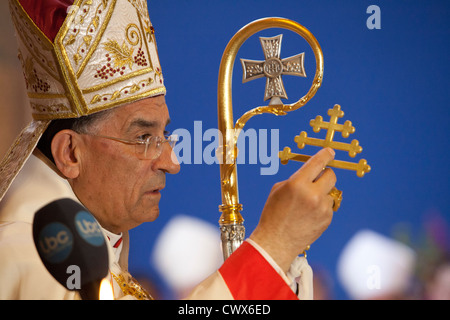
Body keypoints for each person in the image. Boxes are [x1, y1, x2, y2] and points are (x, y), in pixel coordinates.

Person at [0, 0, 336, 300]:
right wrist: (272, 248)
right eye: (144, 137)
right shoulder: (36, 254)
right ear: (71, 153)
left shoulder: (90, 250)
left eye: (165, 135)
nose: (171, 162)